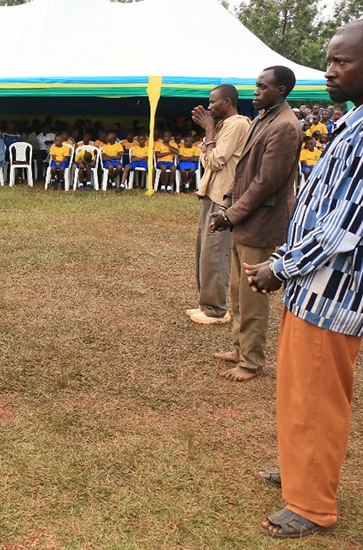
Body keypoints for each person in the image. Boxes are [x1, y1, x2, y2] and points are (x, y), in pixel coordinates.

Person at [245, 21, 363, 539]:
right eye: (329, 60)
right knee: (299, 389)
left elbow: (345, 226)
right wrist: (286, 261)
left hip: (333, 292)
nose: (329, 70)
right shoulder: (353, 122)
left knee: (316, 396)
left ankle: (312, 504)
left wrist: (280, 267)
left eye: (342, 61)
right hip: (312, 286)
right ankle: (300, 468)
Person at [209, 66, 302, 382]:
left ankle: (251, 361)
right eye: (256, 85)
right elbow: (244, 171)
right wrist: (228, 204)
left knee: (252, 296)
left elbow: (266, 182)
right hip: (246, 218)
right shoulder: (263, 118)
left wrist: (231, 215)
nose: (256, 91)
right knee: (237, 291)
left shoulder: (285, 126)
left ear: (281, 91)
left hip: (261, 222)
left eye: (263, 87)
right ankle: (240, 349)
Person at [186, 84, 250, 326]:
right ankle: (207, 304)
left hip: (224, 198)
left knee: (216, 254)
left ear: (227, 102)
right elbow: (206, 158)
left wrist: (209, 129)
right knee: (205, 252)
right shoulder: (224, 125)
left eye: (213, 101)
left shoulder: (238, 124)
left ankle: (216, 309)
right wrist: (210, 133)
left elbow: (215, 160)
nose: (209, 106)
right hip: (211, 193)